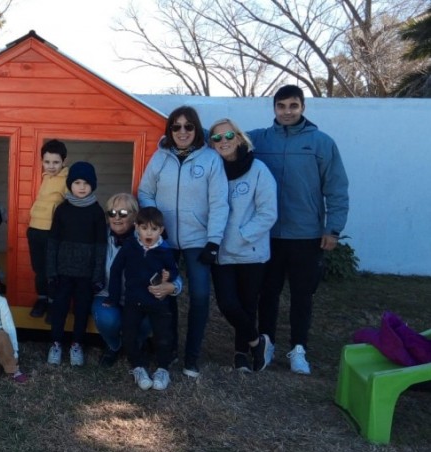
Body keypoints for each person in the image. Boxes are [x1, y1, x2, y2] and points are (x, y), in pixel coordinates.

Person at [248, 85, 349, 374]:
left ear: (303, 107)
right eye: (282, 106)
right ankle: (266, 346)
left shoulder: (321, 143)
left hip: (306, 234)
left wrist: (333, 228)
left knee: (302, 295)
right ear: (274, 108)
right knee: (267, 293)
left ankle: (298, 349)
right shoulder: (259, 139)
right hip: (268, 234)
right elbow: (223, 138)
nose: (287, 111)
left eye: (293, 105)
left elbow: (336, 188)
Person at [137, 105, 230, 378]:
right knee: (166, 294)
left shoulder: (210, 160)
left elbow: (219, 202)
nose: (182, 132)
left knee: (200, 296)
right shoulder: (160, 158)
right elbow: (145, 192)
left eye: (188, 126)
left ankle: (192, 356)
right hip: (165, 242)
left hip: (198, 240)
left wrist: (213, 241)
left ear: (196, 129)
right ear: (170, 130)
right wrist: (157, 228)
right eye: (176, 127)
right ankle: (171, 349)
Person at [207, 119, 278, 373]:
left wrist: (241, 235)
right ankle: (258, 342)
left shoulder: (258, 169)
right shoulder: (212, 170)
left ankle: (241, 355)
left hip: (251, 251)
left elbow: (268, 213)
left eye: (228, 135)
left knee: (248, 305)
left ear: (238, 138)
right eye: (216, 138)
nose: (223, 141)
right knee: (228, 304)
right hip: (219, 250)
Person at [92, 193, 183, 368]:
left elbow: (174, 273)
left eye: (123, 213)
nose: (116, 217)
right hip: (107, 293)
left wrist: (172, 286)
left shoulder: (150, 239)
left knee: (148, 320)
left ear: (135, 216)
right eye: (112, 213)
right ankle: (114, 345)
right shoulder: (100, 236)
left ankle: (136, 345)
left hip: (141, 297)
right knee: (108, 319)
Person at [105, 207, 180, 391]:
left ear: (161, 231)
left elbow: (174, 270)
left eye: (154, 229)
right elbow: (115, 270)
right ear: (137, 227)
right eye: (145, 228)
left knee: (163, 336)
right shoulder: (130, 246)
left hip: (158, 302)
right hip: (133, 301)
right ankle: (138, 367)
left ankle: (163, 369)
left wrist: (167, 276)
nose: (149, 233)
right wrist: (114, 298)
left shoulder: (165, 250)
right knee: (129, 335)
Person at [46, 161, 107, 366]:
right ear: (70, 184)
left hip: (86, 274)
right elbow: (53, 243)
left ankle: (77, 344)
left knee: (81, 310)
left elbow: (101, 247)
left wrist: (98, 275)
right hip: (63, 272)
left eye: (86, 183)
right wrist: (51, 272)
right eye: (77, 182)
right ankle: (55, 343)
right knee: (59, 308)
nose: (81, 186)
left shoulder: (97, 212)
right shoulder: (62, 209)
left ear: (93, 185)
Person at [27, 139, 69, 318]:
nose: (51, 166)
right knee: (39, 269)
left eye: (56, 162)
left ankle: (53, 303)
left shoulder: (67, 180)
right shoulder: (45, 177)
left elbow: (68, 207)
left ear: (64, 162)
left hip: (51, 232)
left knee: (52, 270)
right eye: (47, 162)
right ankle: (42, 299)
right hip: (35, 229)